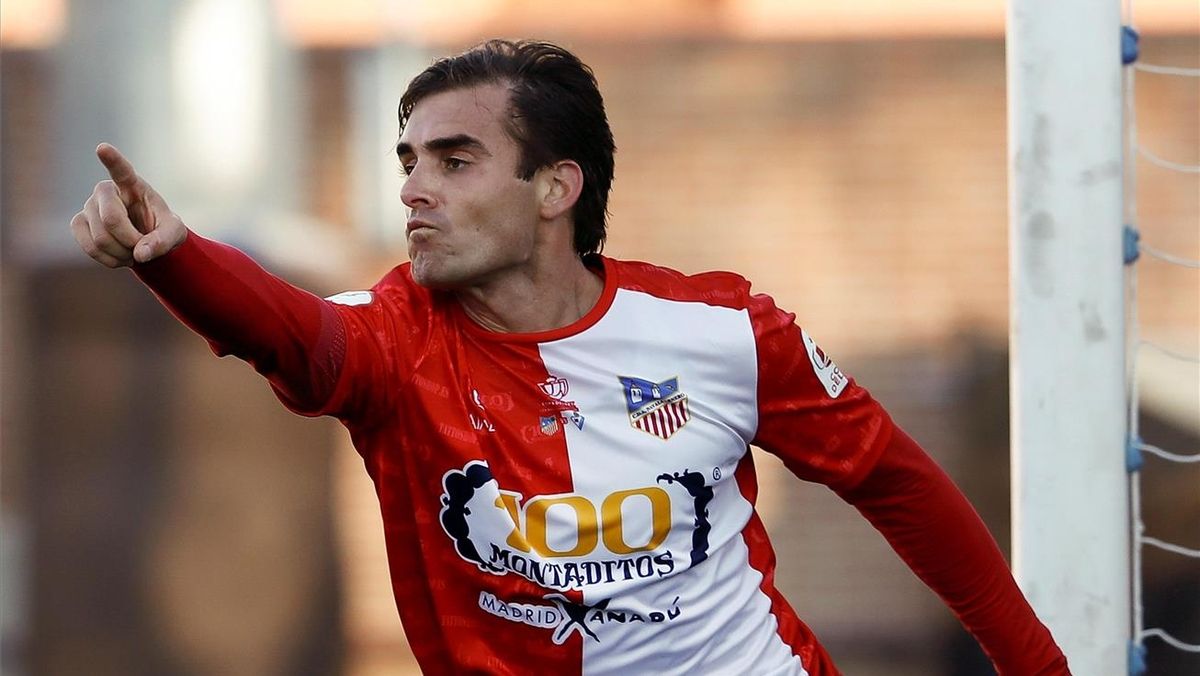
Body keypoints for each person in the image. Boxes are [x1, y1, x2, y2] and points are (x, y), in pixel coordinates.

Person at [71, 39, 1069, 675]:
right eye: (408, 161)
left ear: (557, 188)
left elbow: (895, 479)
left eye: (455, 161)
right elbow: (283, 329)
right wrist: (176, 256)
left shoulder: (724, 330)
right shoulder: (392, 339)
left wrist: (1035, 666)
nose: (416, 188)